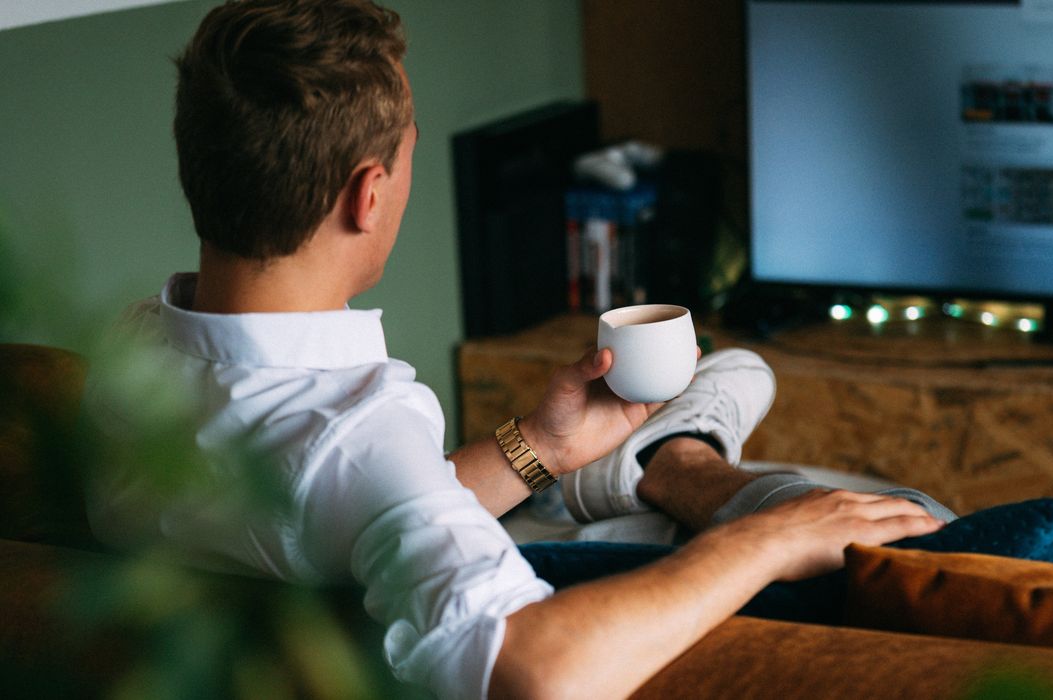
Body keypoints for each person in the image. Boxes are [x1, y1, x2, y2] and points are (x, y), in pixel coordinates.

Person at [84, 2, 949, 698]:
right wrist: (758, 545)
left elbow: (325, 512)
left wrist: (539, 447)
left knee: (655, 485)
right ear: (369, 193)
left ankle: (634, 462)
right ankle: (682, 461)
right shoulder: (362, 429)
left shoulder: (132, 352)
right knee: (906, 519)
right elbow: (533, 673)